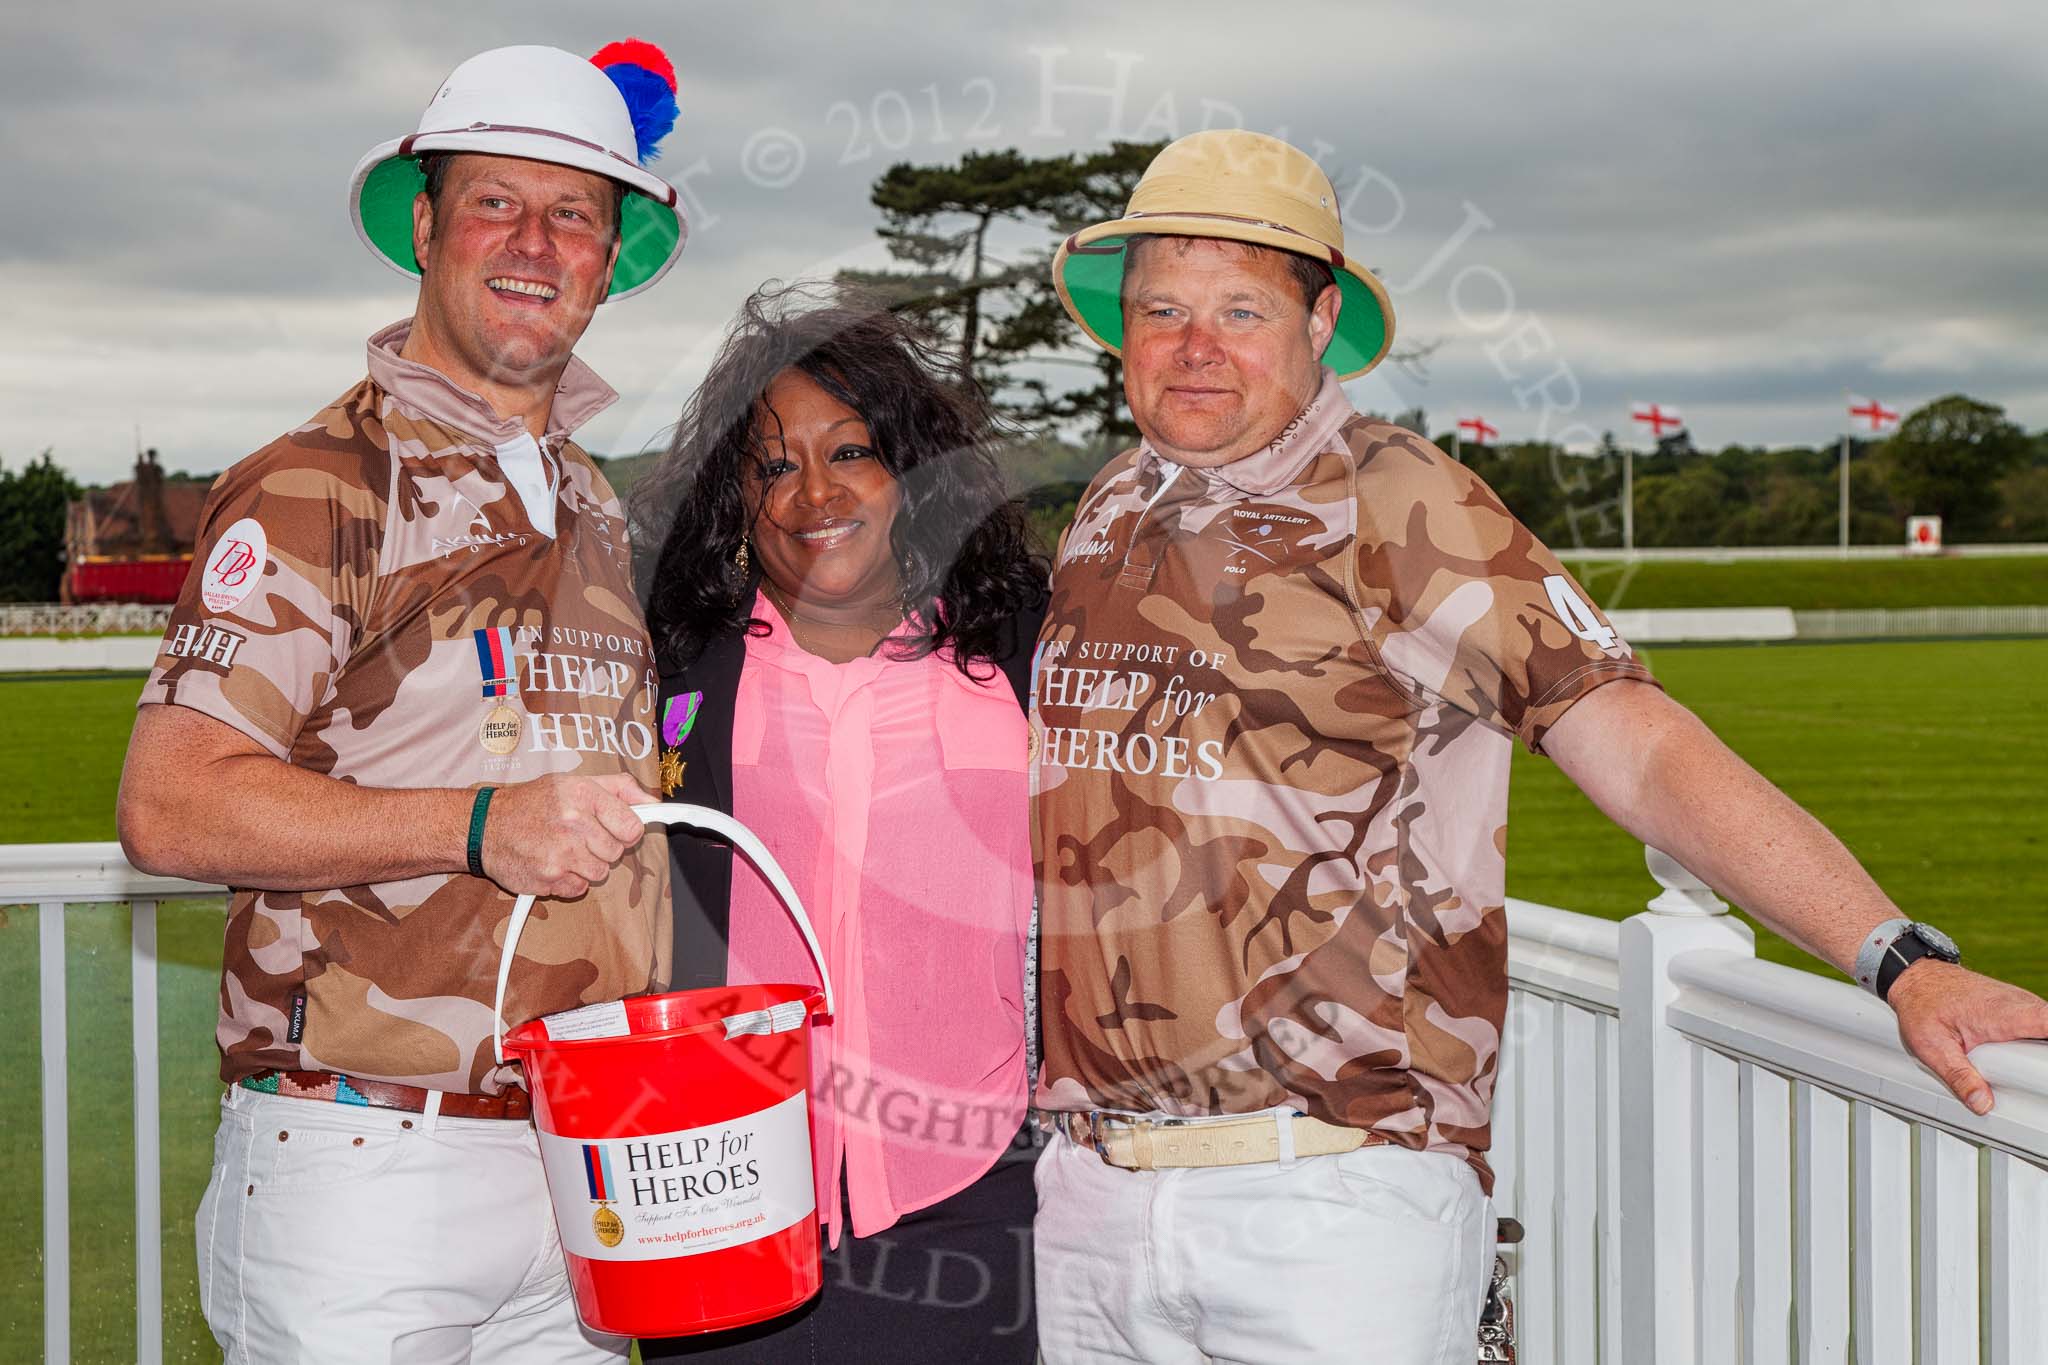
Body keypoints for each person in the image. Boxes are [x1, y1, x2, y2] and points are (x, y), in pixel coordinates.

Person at [1027, 129, 2048, 1365]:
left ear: (1319, 318)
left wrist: (1895, 957)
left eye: (1240, 308)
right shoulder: (1111, 506)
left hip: (1325, 1204)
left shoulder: (1401, 501)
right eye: (1161, 309)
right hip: (1095, 1194)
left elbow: (1631, 741)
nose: (1194, 345)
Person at [116, 40, 690, 1363]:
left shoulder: (595, 498)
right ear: (425, 226)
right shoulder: (318, 484)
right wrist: (482, 822)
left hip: (580, 1167)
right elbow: (170, 804)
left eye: (574, 215)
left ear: (612, 262)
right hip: (366, 1166)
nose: (535, 242)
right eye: (496, 200)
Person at [631, 286, 1047, 1362]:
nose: (812, 492)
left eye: (850, 452)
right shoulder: (675, 672)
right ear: (735, 499)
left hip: (983, 1205)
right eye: (771, 466)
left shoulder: (1023, 653)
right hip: (720, 1201)